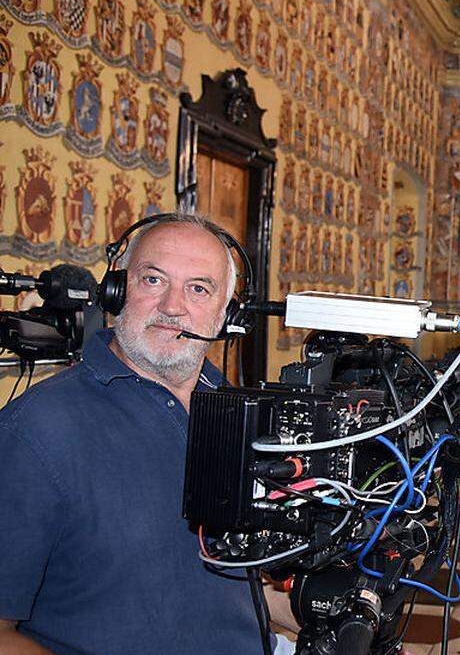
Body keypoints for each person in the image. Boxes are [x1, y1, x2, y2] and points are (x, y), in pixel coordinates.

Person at [0, 214, 263, 653]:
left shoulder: (242, 418)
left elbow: (237, 585)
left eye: (199, 288)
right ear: (117, 292)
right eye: (154, 280)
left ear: (225, 315)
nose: (173, 306)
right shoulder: (34, 431)